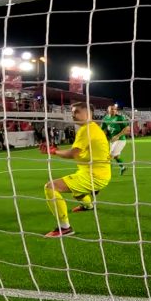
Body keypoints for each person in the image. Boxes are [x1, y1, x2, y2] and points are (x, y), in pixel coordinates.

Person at [41, 102, 111, 238]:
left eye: (77, 112)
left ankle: (64, 228)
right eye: (72, 112)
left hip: (94, 176)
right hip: (94, 173)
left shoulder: (87, 129)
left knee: (50, 187)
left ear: (88, 113)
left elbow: (72, 154)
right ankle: (88, 205)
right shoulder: (93, 128)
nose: (73, 115)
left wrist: (54, 151)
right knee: (76, 189)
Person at [100, 104, 130, 175]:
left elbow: (127, 128)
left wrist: (117, 136)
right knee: (116, 156)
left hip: (120, 140)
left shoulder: (120, 118)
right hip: (112, 140)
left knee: (109, 156)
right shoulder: (105, 119)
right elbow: (103, 130)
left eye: (115, 109)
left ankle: (106, 173)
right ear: (108, 110)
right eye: (112, 109)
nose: (114, 110)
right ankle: (123, 168)